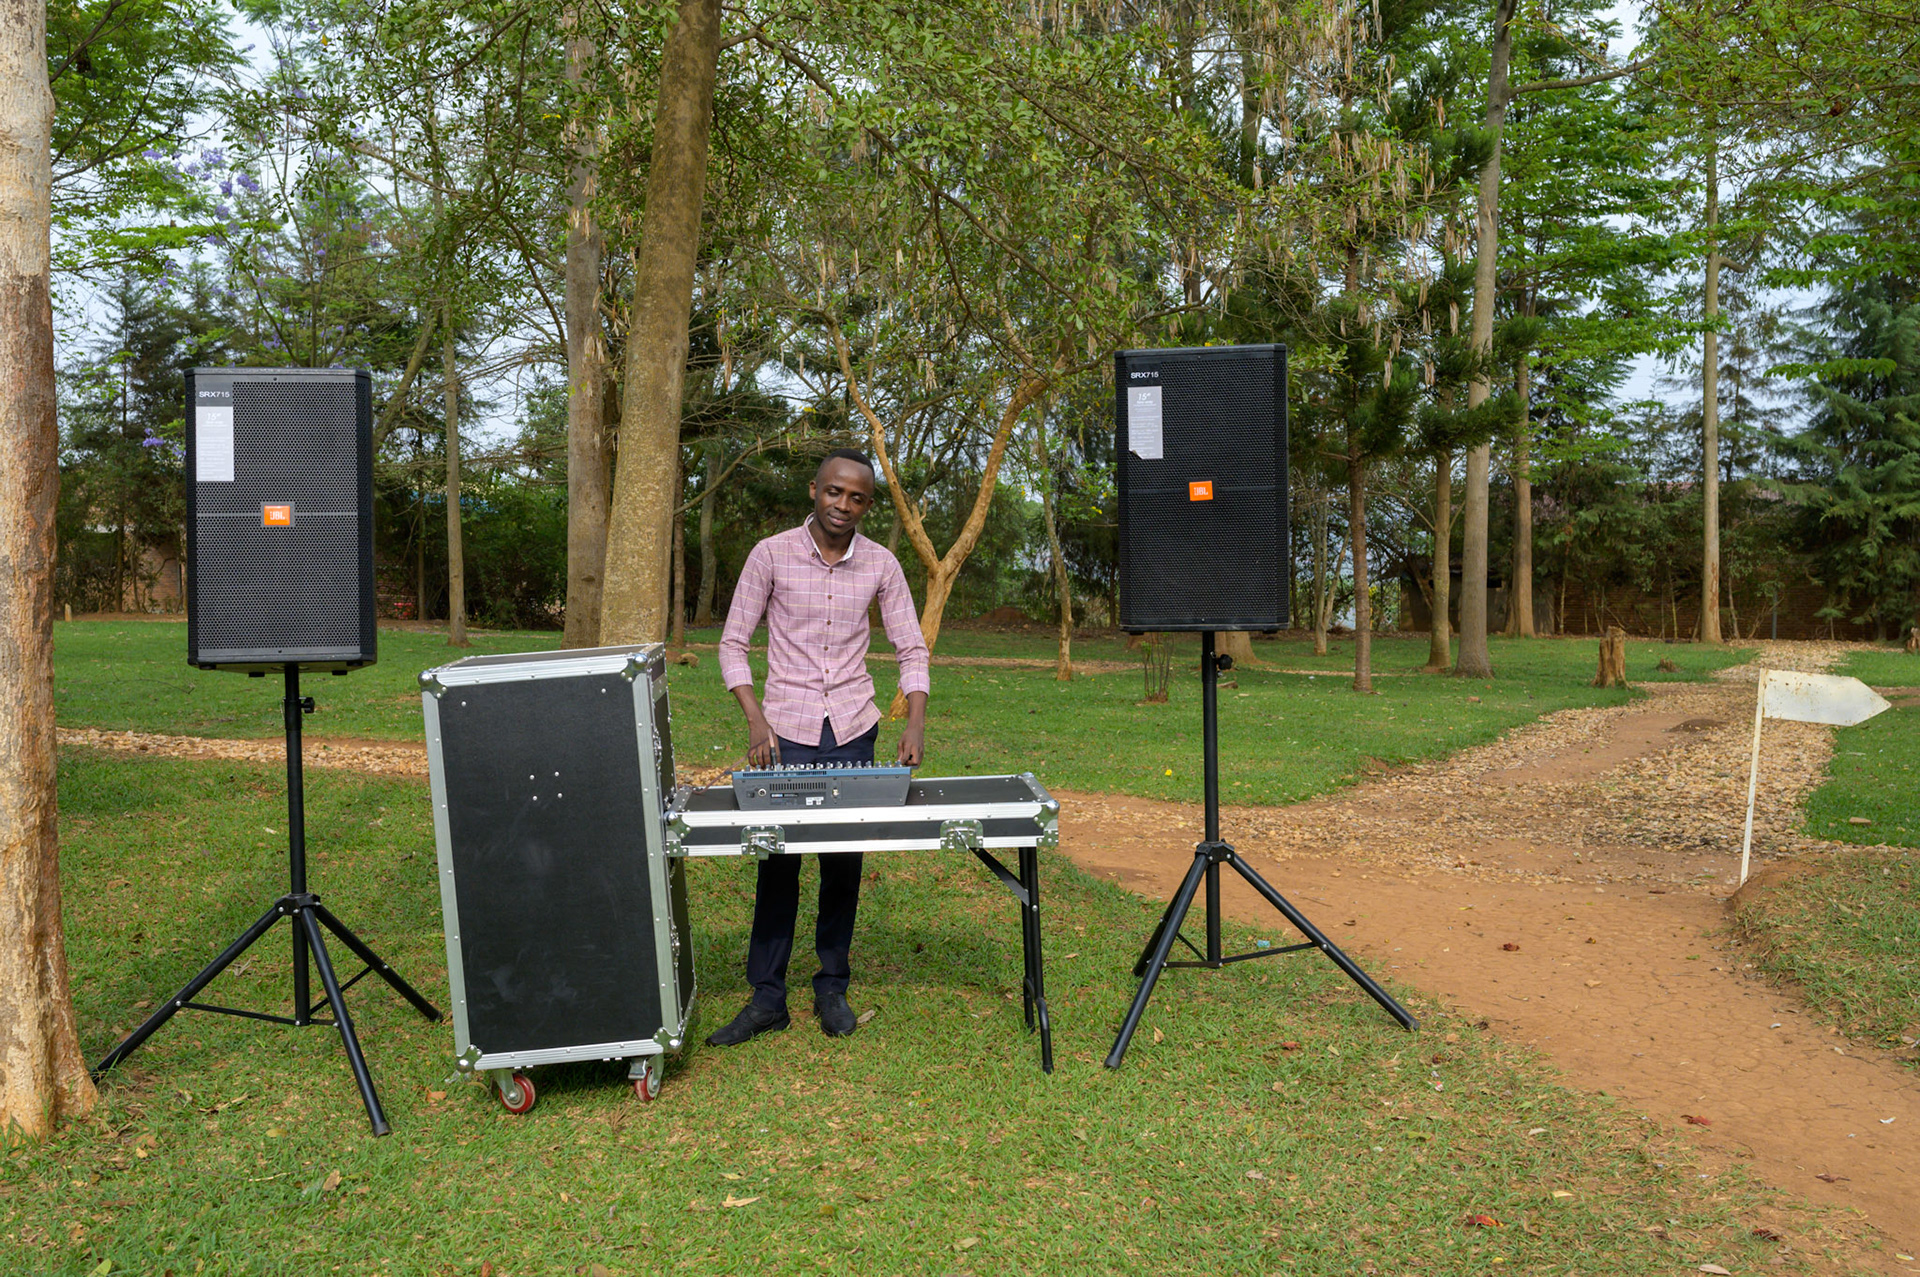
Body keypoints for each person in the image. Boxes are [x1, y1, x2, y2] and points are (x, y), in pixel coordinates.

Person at [708, 448, 929, 1045]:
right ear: (814, 490)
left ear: (867, 505)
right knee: (777, 863)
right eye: (835, 492)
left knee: (843, 862)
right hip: (784, 732)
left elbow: (912, 647)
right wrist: (756, 719)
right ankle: (767, 998)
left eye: (857, 497)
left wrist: (915, 721)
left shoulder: (881, 564)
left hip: (855, 727)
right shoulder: (771, 554)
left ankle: (832, 987)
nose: (843, 505)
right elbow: (733, 643)